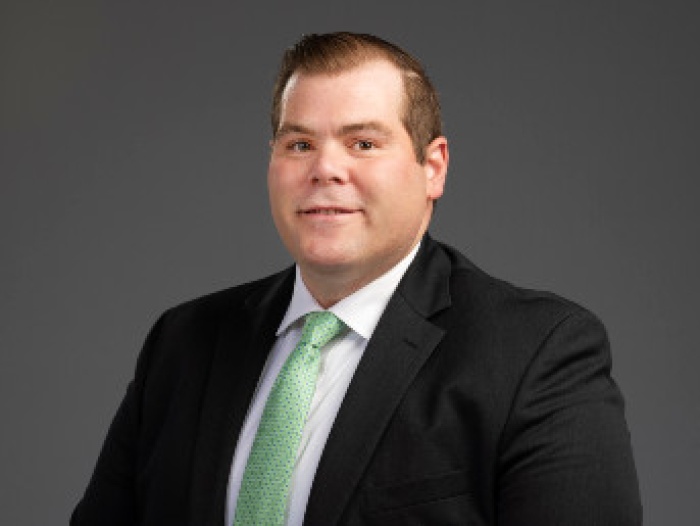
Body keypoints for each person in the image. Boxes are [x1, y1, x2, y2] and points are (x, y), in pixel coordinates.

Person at [71, 32, 642, 525]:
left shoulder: (535, 353)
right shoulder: (183, 342)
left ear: (433, 167)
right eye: (299, 144)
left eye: (363, 144)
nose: (325, 169)